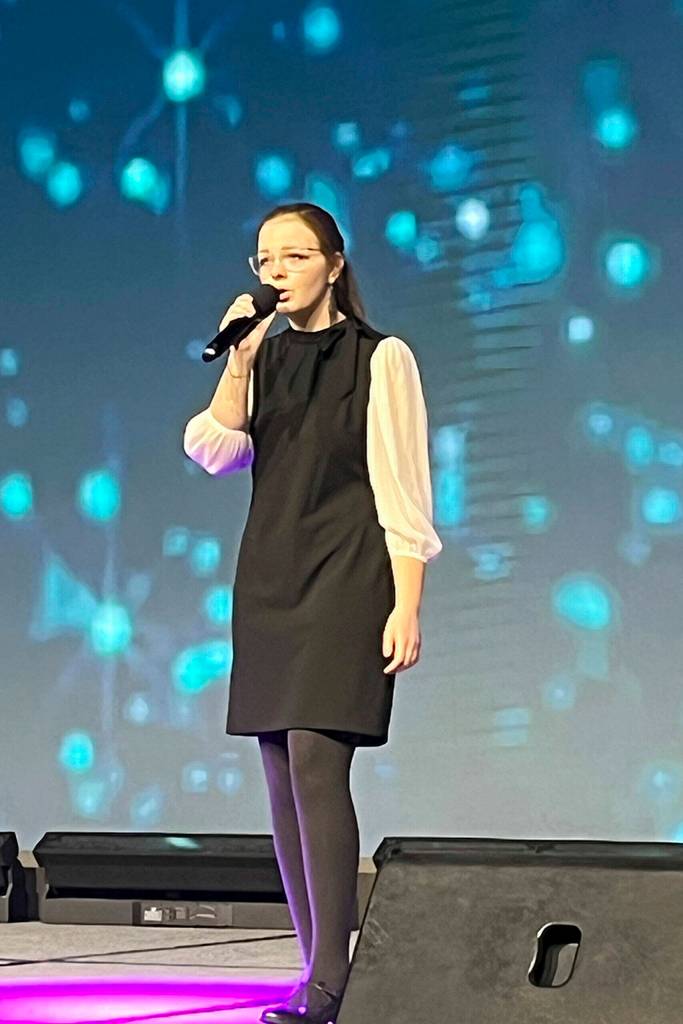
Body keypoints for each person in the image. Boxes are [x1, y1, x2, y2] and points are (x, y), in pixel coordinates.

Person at [183, 202, 442, 1024]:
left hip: (349, 575)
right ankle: (313, 967)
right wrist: (239, 358)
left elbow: (404, 491)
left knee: (314, 759)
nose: (278, 272)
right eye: (266, 261)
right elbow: (212, 451)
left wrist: (407, 604)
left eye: (295, 257)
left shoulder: (379, 357)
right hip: (272, 577)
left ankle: (332, 979)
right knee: (277, 772)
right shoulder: (259, 357)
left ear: (334, 264)